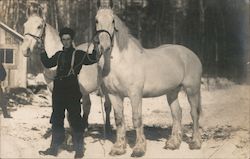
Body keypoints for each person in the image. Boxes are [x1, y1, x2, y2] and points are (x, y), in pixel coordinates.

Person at [38, 27, 100, 158]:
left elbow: (93, 58)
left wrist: (95, 44)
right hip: (59, 90)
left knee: (75, 120)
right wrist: (42, 50)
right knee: (57, 119)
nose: (66, 42)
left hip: (72, 90)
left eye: (68, 39)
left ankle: (79, 150)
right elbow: (48, 63)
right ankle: (54, 148)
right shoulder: (59, 55)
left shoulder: (78, 54)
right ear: (61, 40)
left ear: (72, 40)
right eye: (63, 39)